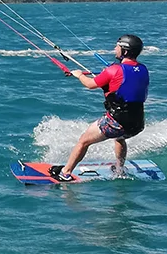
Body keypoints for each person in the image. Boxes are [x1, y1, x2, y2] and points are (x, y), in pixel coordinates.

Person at [50, 34, 149, 182]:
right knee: (119, 139)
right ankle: (120, 169)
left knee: (84, 141)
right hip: (137, 124)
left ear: (125, 51)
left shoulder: (114, 70)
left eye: (118, 47)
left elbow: (90, 84)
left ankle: (65, 173)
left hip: (116, 123)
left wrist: (78, 75)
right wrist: (109, 75)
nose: (115, 48)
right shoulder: (143, 69)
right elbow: (126, 82)